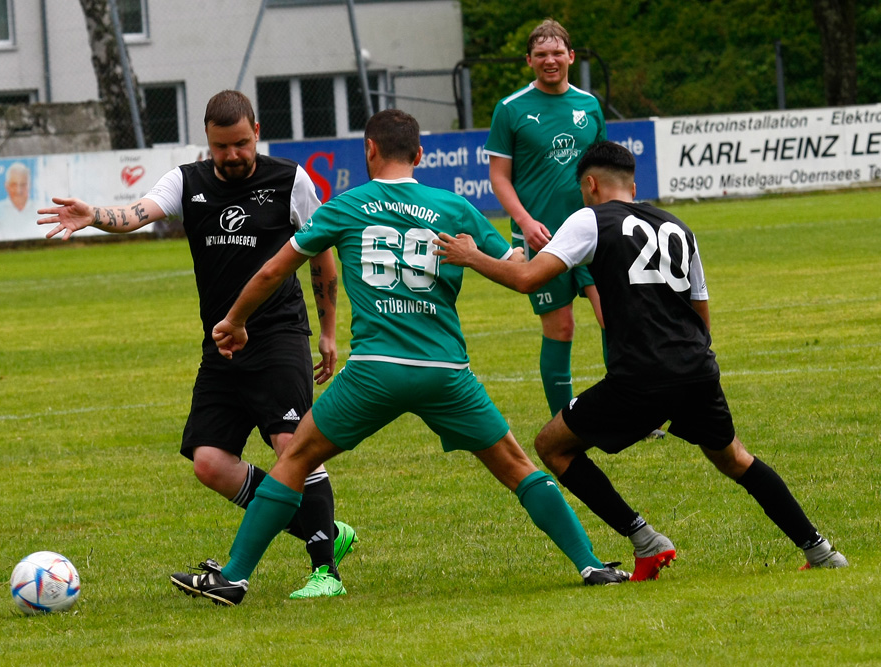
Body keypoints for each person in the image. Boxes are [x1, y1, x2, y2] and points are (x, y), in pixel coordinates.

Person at [176, 109, 629, 607]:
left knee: (297, 460)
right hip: (445, 374)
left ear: (369, 150)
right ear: (419, 155)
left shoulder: (345, 206)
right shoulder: (454, 208)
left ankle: (235, 577)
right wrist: (496, 254)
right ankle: (589, 563)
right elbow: (515, 265)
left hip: (374, 372)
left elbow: (270, 273)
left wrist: (235, 320)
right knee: (518, 467)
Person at [434, 140, 848, 580]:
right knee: (735, 459)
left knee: (551, 447)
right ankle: (820, 550)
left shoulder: (589, 219)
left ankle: (646, 539)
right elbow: (700, 311)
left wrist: (471, 256)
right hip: (696, 367)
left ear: (590, 184)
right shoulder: (678, 225)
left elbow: (527, 278)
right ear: (633, 184)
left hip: (641, 375)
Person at [37, 90, 358, 600]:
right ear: (206, 141)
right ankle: (323, 531)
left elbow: (320, 253)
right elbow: (138, 212)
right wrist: (94, 215)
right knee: (209, 461)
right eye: (220, 146)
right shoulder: (188, 180)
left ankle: (325, 572)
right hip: (222, 341)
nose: (231, 155)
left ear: (257, 131)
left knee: (292, 447)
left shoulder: (289, 180)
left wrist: (327, 331)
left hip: (277, 334)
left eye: (241, 143)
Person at [484, 18, 616, 425]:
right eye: (541, 54)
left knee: (613, 316)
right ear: (529, 60)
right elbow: (499, 177)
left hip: (592, 230)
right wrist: (524, 222)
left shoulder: (588, 104)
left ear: (571, 56)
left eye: (557, 52)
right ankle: (565, 421)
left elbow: (605, 170)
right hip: (542, 238)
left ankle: (630, 410)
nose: (550, 60)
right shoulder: (510, 109)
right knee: (560, 328)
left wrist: (612, 215)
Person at [0, 162, 38, 241]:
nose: (19, 191)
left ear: (30, 185)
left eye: (23, 184)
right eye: (14, 185)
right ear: (6, 186)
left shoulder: (41, 209)